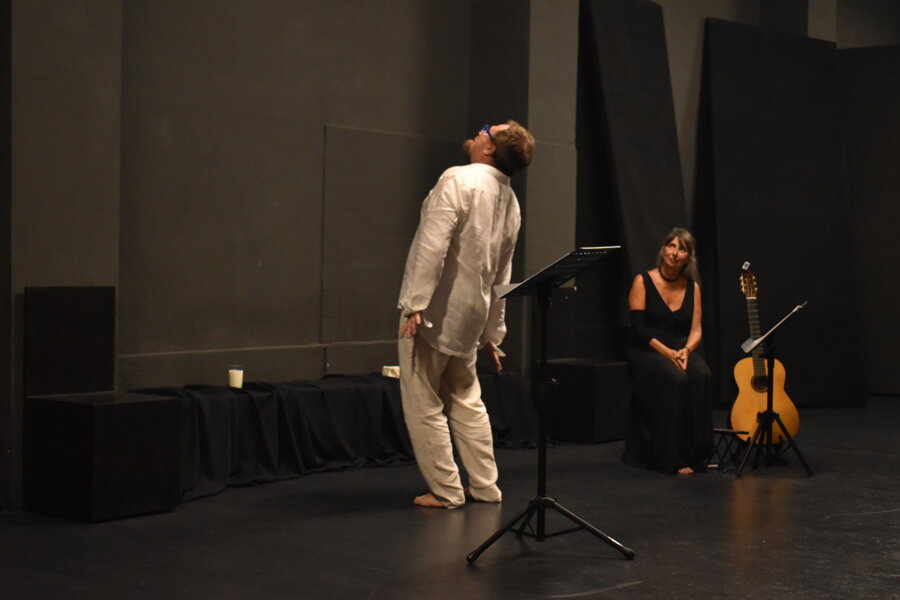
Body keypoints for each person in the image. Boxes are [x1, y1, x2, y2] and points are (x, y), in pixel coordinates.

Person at [397, 120, 535, 508]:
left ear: (489, 148)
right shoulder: (511, 201)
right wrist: (493, 332)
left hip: (435, 313)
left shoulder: (458, 179)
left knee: (423, 401)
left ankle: (446, 490)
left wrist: (415, 302)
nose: (478, 133)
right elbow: (502, 273)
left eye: (485, 131)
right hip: (472, 317)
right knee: (466, 398)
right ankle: (486, 486)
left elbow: (433, 245)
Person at [624, 227, 713, 474]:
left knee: (702, 375)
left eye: (682, 249)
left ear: (688, 257)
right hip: (647, 348)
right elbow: (638, 328)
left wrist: (686, 350)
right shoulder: (643, 281)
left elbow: (696, 329)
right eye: (671, 246)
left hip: (679, 347)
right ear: (663, 249)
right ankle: (670, 456)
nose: (675, 253)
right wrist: (667, 353)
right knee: (676, 379)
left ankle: (696, 453)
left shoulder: (693, 287)